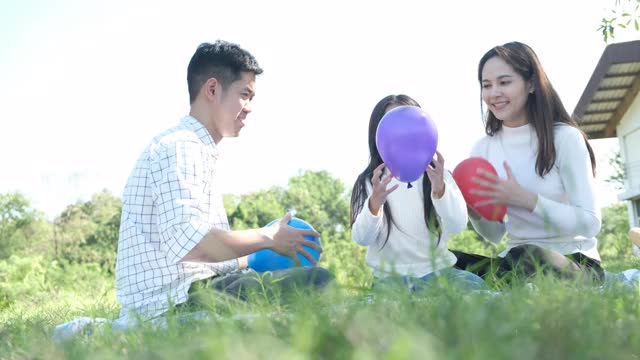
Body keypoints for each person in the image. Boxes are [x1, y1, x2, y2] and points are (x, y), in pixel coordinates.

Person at [115, 40, 333, 319]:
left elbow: (202, 255)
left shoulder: (194, 148)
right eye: (245, 94)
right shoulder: (182, 146)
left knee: (301, 280)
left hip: (192, 288)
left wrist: (261, 253)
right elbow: (192, 244)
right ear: (213, 89)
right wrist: (267, 237)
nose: (250, 107)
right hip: (172, 303)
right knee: (318, 282)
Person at [451, 41, 604, 284]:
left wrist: (525, 199)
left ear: (531, 84)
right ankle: (507, 283)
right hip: (513, 261)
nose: (494, 93)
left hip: (572, 261)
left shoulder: (565, 138)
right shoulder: (483, 148)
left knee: (530, 255)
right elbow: (495, 234)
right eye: (486, 85)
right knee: (445, 260)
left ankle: (503, 284)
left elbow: (590, 223)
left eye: (504, 82)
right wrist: (472, 208)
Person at [350, 94, 486, 292]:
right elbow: (362, 239)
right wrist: (374, 204)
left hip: (440, 272)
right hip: (390, 279)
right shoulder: (370, 182)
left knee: (475, 286)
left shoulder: (439, 175)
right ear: (378, 136)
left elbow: (457, 226)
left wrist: (440, 191)